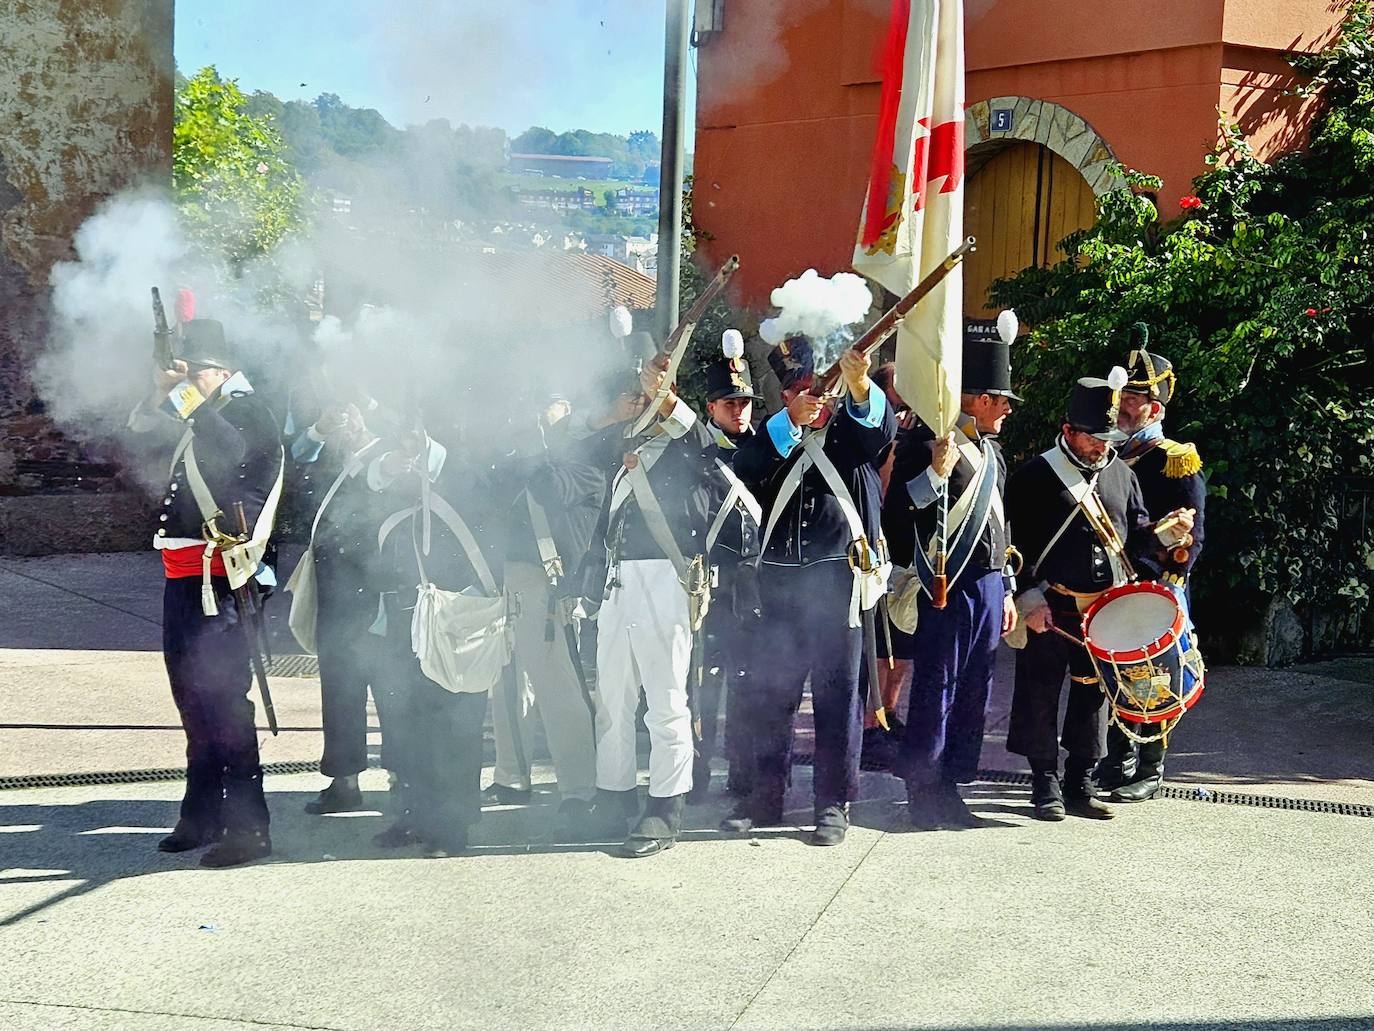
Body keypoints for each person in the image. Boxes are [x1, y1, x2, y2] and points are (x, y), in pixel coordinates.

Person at [128, 319, 283, 868]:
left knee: (223, 702)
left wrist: (183, 396)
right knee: (193, 701)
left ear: (217, 371)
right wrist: (160, 392)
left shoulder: (247, 410)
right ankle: (201, 814)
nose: (185, 384)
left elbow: (230, 448)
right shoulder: (199, 412)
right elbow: (143, 436)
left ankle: (249, 828)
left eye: (193, 374)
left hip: (224, 578)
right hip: (185, 577)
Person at [729, 337, 895, 846]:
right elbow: (746, 468)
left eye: (818, 389)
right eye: (799, 390)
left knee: (838, 696)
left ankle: (832, 802)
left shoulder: (851, 435)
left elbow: (879, 432)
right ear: (785, 396)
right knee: (771, 696)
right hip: (777, 586)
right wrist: (791, 423)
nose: (812, 398)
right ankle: (766, 795)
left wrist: (861, 381)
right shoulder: (773, 437)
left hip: (836, 586)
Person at [1005, 374, 1194, 822]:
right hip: (1048, 606)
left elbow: (1136, 537)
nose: (1102, 448)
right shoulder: (1033, 477)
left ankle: (1079, 783)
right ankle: (1044, 785)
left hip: (1102, 609)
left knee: (1092, 699)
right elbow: (1008, 547)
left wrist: (1169, 534)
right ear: (1069, 431)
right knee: (1040, 696)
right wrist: (1027, 597)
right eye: (1094, 438)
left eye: (1109, 439)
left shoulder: (1122, 474)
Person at [580, 357, 722, 857]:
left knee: (664, 700)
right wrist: (612, 415)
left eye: (653, 394)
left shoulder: (686, 442)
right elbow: (573, 449)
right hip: (620, 581)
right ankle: (613, 794)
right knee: (613, 699)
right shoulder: (623, 446)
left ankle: (667, 805)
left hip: (666, 576)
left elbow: (700, 438)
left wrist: (662, 395)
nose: (644, 401)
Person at [883, 321, 1020, 829]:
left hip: (985, 585)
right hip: (946, 585)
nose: (1007, 408)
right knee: (937, 685)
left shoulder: (992, 454)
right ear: (975, 399)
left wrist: (1006, 587)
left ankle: (953, 782)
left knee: (975, 687)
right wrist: (936, 473)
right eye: (999, 398)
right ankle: (924, 786)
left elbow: (1002, 526)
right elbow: (898, 517)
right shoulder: (925, 444)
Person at [368, 415, 504, 857]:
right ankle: (412, 813)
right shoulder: (398, 467)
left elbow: (485, 531)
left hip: (454, 613)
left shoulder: (467, 469)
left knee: (454, 724)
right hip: (404, 613)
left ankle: (451, 826)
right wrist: (395, 464)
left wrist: (427, 458)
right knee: (404, 724)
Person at [486, 389, 606, 828]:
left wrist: (538, 441)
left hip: (547, 583)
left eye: (552, 402)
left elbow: (552, 488)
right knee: (505, 684)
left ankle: (579, 787)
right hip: (505, 578)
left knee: (558, 688)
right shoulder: (522, 457)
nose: (538, 412)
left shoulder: (585, 464)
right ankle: (511, 776)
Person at [1096, 330, 1206, 802]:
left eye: (1135, 399)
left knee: (1155, 677)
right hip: (1116, 580)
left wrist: (1171, 573)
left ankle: (1151, 766)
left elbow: (1194, 534)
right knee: (1115, 675)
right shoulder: (1107, 454)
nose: (1123, 405)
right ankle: (1118, 757)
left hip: (1157, 584)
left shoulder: (1175, 460)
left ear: (1155, 409)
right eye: (1123, 396)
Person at [290, 387, 393, 817]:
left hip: (377, 588)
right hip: (335, 588)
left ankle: (401, 777)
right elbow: (296, 458)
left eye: (355, 412)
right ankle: (344, 780)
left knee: (391, 689)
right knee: (340, 690)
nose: (348, 421)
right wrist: (320, 428)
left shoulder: (386, 454)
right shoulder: (333, 454)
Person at [690, 334, 764, 802]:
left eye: (745, 402)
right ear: (711, 406)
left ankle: (743, 771)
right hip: (709, 587)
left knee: (749, 684)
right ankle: (694, 775)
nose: (740, 410)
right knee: (700, 685)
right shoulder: (694, 453)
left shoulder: (770, 453)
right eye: (729, 402)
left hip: (754, 588)